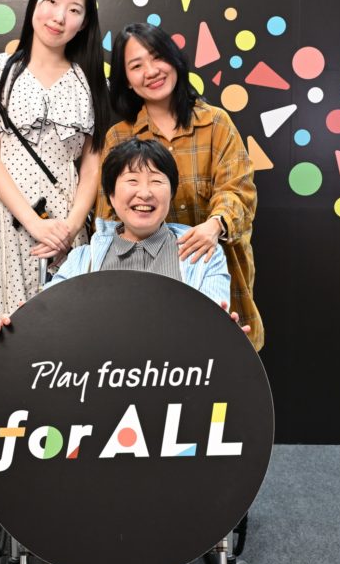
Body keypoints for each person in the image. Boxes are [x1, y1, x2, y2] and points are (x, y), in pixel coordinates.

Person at [0, 138, 246, 564]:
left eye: (156, 180)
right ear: (111, 193)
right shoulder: (87, 256)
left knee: (179, 435)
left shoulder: (199, 253)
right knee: (58, 436)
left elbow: (212, 317)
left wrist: (223, 330)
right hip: (94, 400)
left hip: (174, 397)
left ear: (171, 190)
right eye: (131, 180)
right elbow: (49, 320)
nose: (144, 192)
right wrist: (16, 329)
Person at [0, 0, 110, 446]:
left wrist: (70, 227)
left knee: (64, 334)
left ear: (84, 23)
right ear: (35, 4)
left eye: (74, 10)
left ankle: (61, 446)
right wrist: (35, 224)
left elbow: (93, 163)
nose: (60, 16)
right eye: (52, 1)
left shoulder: (89, 80)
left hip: (66, 225)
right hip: (3, 221)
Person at [97, 23, 263, 350]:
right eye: (136, 65)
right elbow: (107, 219)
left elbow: (239, 189)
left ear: (174, 59)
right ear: (126, 80)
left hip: (217, 276)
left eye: (157, 57)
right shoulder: (119, 137)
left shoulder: (216, 123)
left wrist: (215, 226)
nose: (151, 71)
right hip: (143, 292)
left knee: (219, 360)